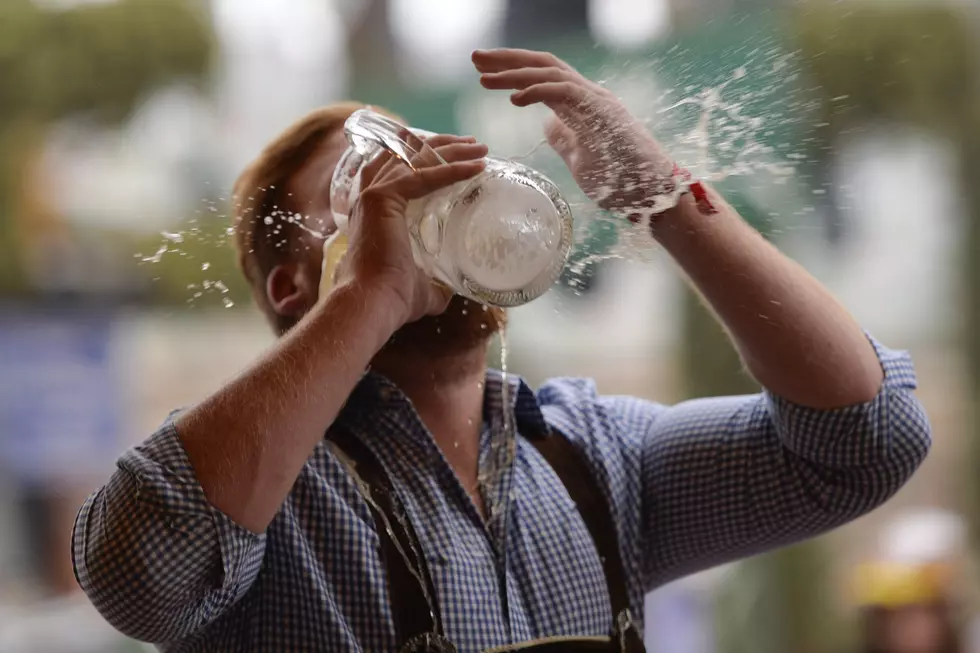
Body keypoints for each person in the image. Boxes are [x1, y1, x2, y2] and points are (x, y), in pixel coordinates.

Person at [71, 49, 931, 652]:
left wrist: (665, 199)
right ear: (294, 288)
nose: (426, 194)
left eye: (432, 167)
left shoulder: (594, 454)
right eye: (372, 188)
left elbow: (869, 440)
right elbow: (141, 575)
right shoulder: (258, 494)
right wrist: (368, 294)